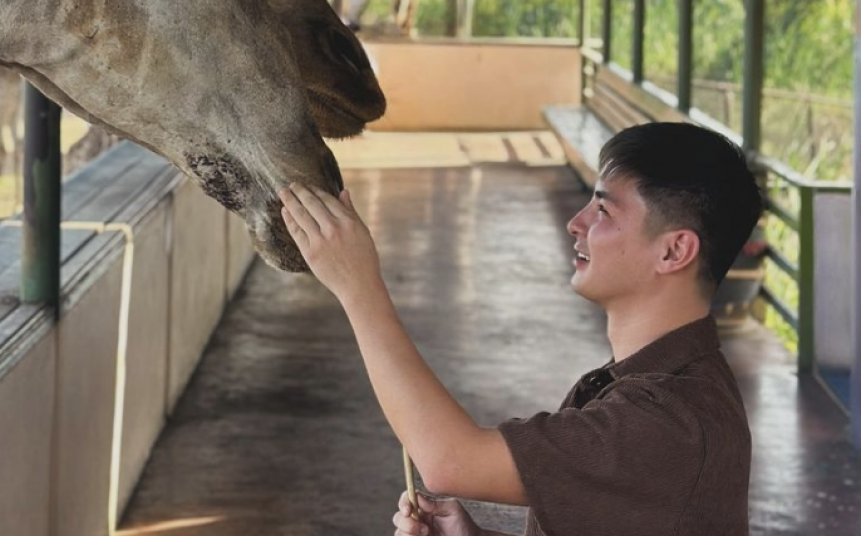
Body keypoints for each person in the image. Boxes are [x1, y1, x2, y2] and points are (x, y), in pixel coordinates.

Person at [277, 122, 764, 536]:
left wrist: (358, 287)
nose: (577, 223)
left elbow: (450, 461)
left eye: (603, 210)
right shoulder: (658, 387)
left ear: (674, 251)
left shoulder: (668, 422)